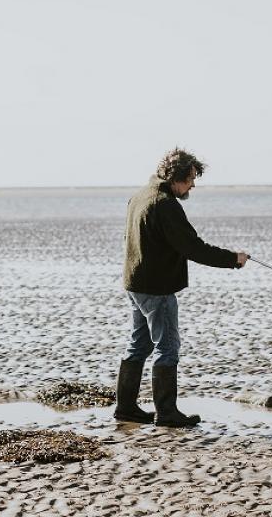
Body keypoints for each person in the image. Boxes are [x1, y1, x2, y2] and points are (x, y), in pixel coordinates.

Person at [114, 147, 249, 428]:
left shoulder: (139, 196)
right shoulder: (164, 204)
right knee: (168, 347)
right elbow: (193, 247)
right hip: (156, 288)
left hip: (135, 284)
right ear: (176, 177)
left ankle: (126, 408)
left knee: (138, 344)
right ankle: (167, 413)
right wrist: (232, 259)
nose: (193, 185)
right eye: (190, 179)